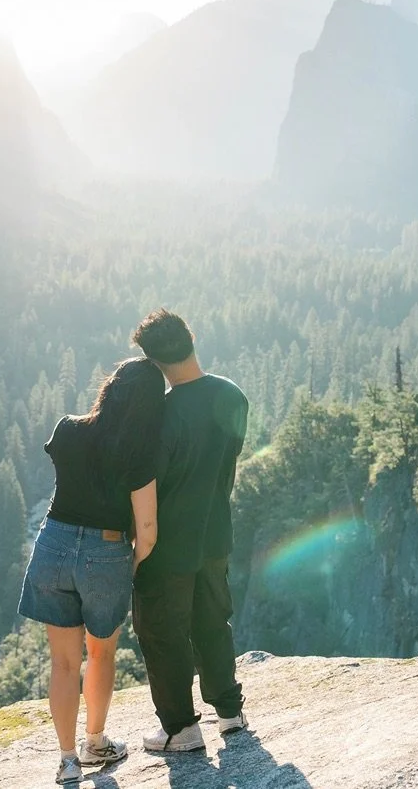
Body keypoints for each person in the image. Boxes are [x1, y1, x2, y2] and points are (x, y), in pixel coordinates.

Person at [18, 357, 164, 784]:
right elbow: (148, 531)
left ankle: (67, 761)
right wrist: (129, 566)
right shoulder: (139, 453)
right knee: (100, 653)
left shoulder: (67, 429)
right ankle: (95, 742)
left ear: (110, 389)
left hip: (54, 545)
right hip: (106, 551)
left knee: (63, 663)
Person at [128, 309, 249, 753]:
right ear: (191, 339)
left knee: (163, 633)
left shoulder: (162, 415)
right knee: (213, 621)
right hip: (215, 531)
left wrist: (140, 546)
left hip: (166, 542)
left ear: (154, 364)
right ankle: (230, 712)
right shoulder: (232, 396)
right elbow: (227, 463)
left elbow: (148, 484)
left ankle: (180, 728)